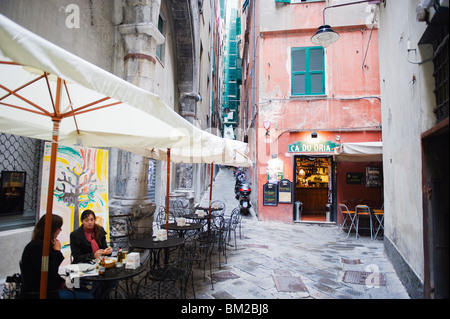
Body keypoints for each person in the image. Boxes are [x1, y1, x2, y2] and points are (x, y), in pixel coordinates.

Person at [20, 214, 93, 299]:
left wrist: (62, 282)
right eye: (59, 227)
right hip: (44, 292)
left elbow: (51, 272)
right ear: (51, 230)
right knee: (88, 296)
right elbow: (47, 270)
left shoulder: (42, 245)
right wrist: (57, 252)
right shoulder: (36, 248)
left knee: (84, 290)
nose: (61, 230)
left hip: (51, 286)